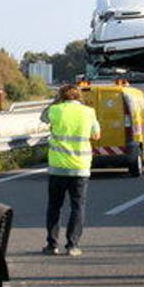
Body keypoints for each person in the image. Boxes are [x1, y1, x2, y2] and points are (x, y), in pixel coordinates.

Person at [40, 84, 101, 256]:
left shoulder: (55, 110)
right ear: (78, 96)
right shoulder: (89, 112)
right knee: (77, 206)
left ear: (61, 96)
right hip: (80, 167)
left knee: (54, 206)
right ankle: (72, 245)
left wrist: (55, 102)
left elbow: (43, 118)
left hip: (58, 167)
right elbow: (96, 135)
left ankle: (52, 245)